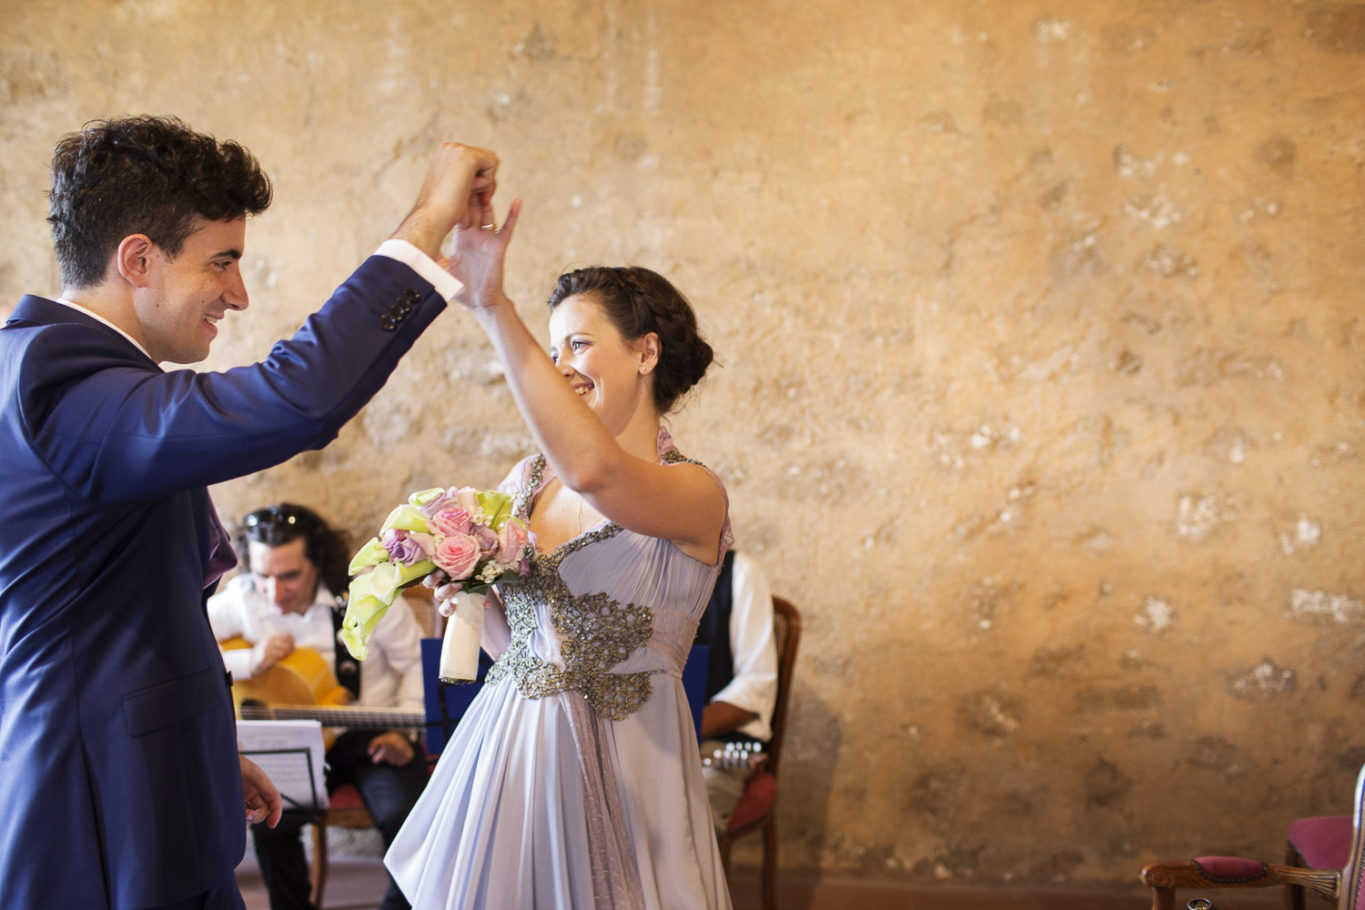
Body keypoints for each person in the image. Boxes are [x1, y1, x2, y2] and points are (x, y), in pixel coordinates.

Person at [0, 115, 497, 909]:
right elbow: (295, 399)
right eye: (222, 261)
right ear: (137, 259)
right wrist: (428, 219)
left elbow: (126, 609)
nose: (237, 293)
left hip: (148, 763)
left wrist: (204, 746)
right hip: (97, 789)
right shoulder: (57, 381)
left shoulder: (80, 378)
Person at [384, 198, 734, 908]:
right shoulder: (525, 482)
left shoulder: (694, 492)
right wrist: (471, 605)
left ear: (645, 350)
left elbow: (598, 474)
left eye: (577, 344)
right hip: (510, 747)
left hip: (629, 757)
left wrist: (492, 306)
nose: (560, 366)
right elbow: (526, 649)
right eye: (551, 349)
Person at [208, 504, 427, 910]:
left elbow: (414, 665)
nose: (274, 592)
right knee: (268, 819)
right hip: (292, 740)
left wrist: (404, 733)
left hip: (370, 735)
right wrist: (249, 661)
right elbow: (186, 647)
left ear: (318, 562)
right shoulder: (242, 598)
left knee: (406, 817)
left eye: (289, 575)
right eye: (263, 576)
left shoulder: (370, 598)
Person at [695, 549, 779, 831]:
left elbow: (756, 684)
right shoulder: (629, 574)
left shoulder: (739, 574)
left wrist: (685, 728)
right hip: (638, 744)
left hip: (716, 745)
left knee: (686, 815)